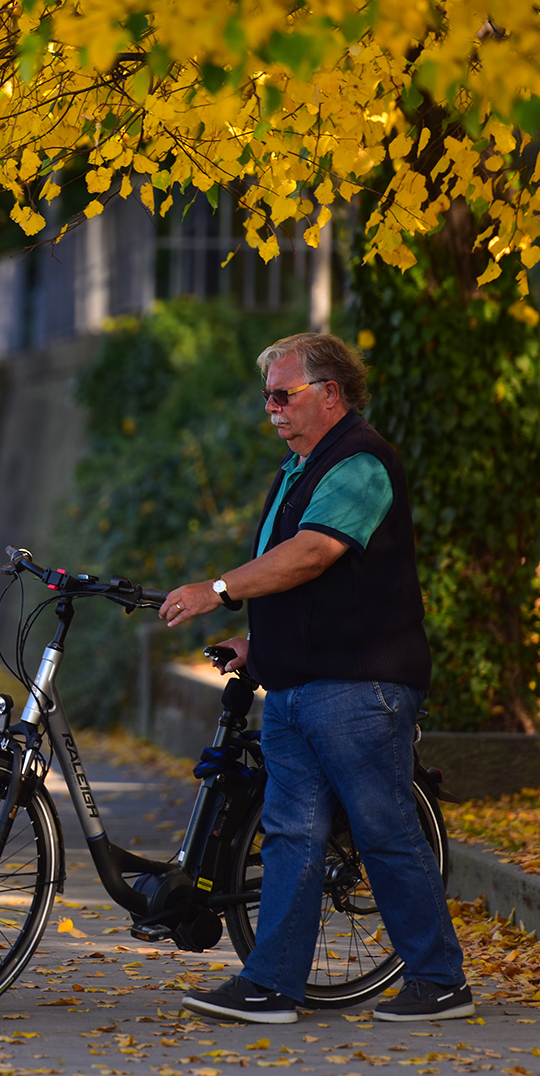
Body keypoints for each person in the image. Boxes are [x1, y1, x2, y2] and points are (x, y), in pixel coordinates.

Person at [156, 332, 472, 1025]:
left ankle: (439, 978)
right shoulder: (298, 469)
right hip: (298, 686)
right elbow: (299, 586)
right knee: (292, 835)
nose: (269, 408)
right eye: (265, 396)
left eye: (282, 394)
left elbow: (314, 555)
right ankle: (272, 983)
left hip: (359, 687)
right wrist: (258, 640)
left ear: (330, 394)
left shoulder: (360, 463)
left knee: (384, 830)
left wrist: (219, 588)